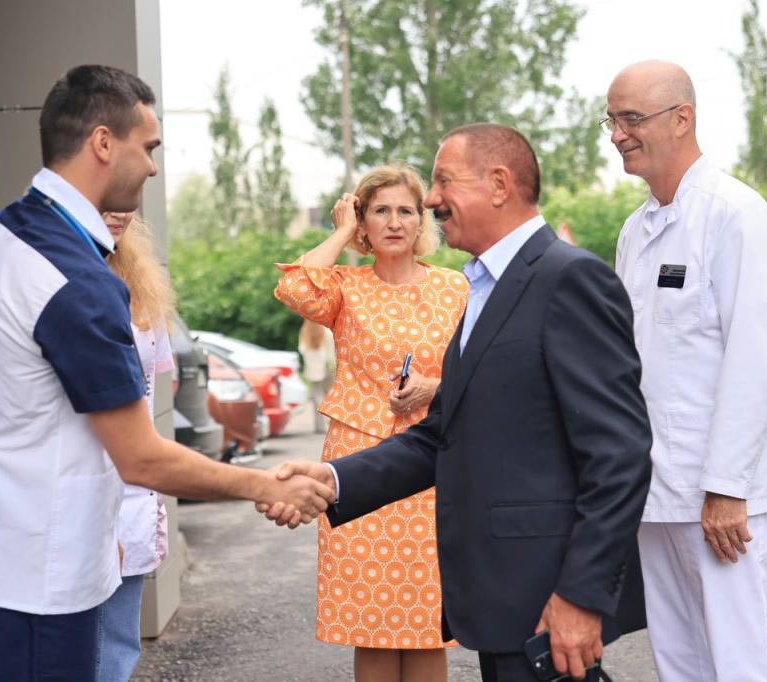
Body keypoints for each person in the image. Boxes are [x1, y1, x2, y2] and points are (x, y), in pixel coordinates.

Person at [0, 64, 333, 682]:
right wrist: (267, 486)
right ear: (102, 143)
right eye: (148, 148)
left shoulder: (4, 231)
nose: (153, 167)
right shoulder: (75, 281)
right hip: (29, 580)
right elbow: (141, 459)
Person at [267, 124, 653, 682]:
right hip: (500, 597)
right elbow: (439, 434)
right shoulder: (482, 286)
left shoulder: (568, 278)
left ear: (499, 184)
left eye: (442, 181)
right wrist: (331, 479)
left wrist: (581, 595)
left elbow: (619, 455)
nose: (428, 200)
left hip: (548, 598)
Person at [604, 60, 767, 681]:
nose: (618, 134)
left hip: (720, 499)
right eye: (612, 119)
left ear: (682, 117)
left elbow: (755, 360)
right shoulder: (637, 230)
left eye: (632, 118)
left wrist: (727, 487)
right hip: (655, 493)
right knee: (678, 660)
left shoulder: (736, 214)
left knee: (738, 661)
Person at [274, 163, 469, 682]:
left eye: (406, 210)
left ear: (420, 219)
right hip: (356, 464)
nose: (394, 221)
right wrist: (340, 230)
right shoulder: (345, 288)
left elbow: (486, 373)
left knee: (429, 620)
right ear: (363, 219)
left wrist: (436, 388)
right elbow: (295, 288)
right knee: (372, 621)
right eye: (380, 210)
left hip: (432, 466)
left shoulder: (456, 289)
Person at [97, 210, 174, 680]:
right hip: (89, 482)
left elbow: (150, 390)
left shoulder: (140, 289)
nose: (115, 217)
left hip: (135, 485)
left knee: (119, 640)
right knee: (83, 642)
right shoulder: (58, 280)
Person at [297, 318, 336, 433]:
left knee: (317, 395)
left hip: (313, 368)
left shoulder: (305, 331)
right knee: (328, 394)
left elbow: (302, 349)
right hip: (328, 367)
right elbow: (331, 349)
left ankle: (320, 425)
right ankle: (328, 420)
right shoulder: (326, 331)